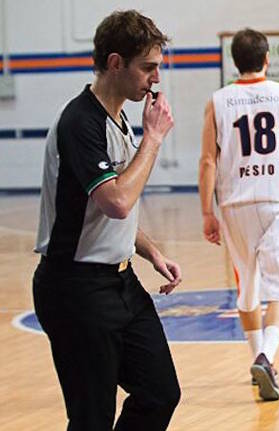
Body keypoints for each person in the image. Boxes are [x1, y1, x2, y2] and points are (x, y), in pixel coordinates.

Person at [33, 10, 181, 431]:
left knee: (159, 393)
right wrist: (153, 139)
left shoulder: (119, 118)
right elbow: (116, 201)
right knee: (92, 418)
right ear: (116, 63)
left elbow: (113, 213)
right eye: (148, 68)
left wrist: (152, 251)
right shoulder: (81, 121)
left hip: (120, 282)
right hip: (75, 288)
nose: (156, 79)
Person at [198, 28, 279, 401]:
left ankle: (257, 360)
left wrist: (206, 211)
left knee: (247, 286)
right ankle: (267, 356)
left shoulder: (217, 101)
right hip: (275, 202)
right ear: (267, 58)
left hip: (234, 204)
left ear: (234, 61)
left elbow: (207, 160)